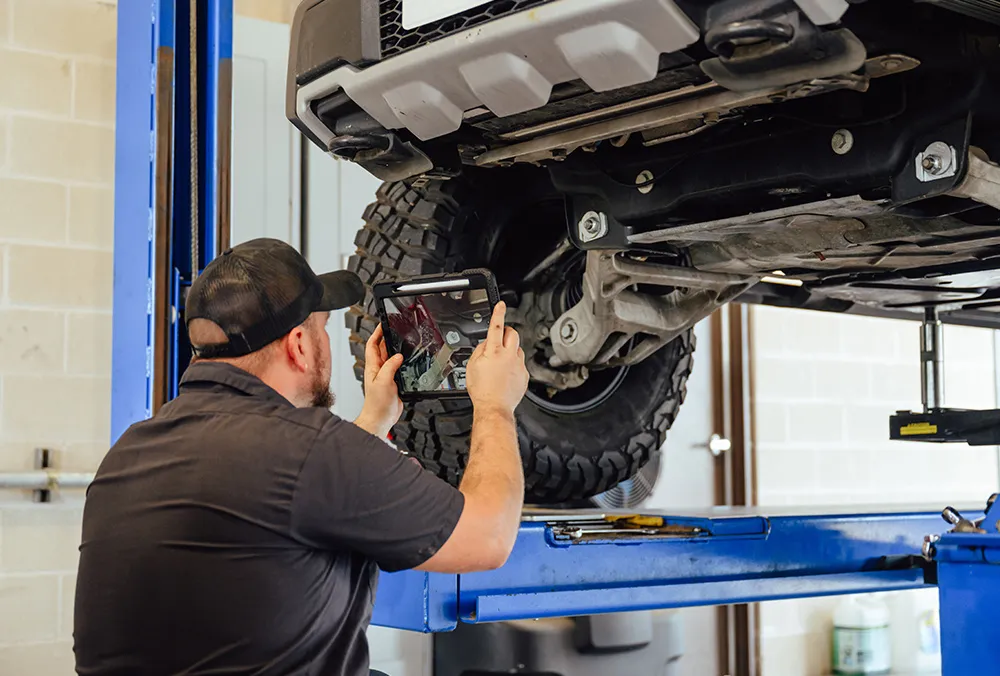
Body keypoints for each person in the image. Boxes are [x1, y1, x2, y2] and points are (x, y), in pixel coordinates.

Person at [74, 238, 530, 676]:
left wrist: (374, 420)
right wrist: (495, 404)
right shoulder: (310, 448)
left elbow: (283, 492)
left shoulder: (129, 450)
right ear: (297, 345)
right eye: (322, 330)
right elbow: (488, 538)